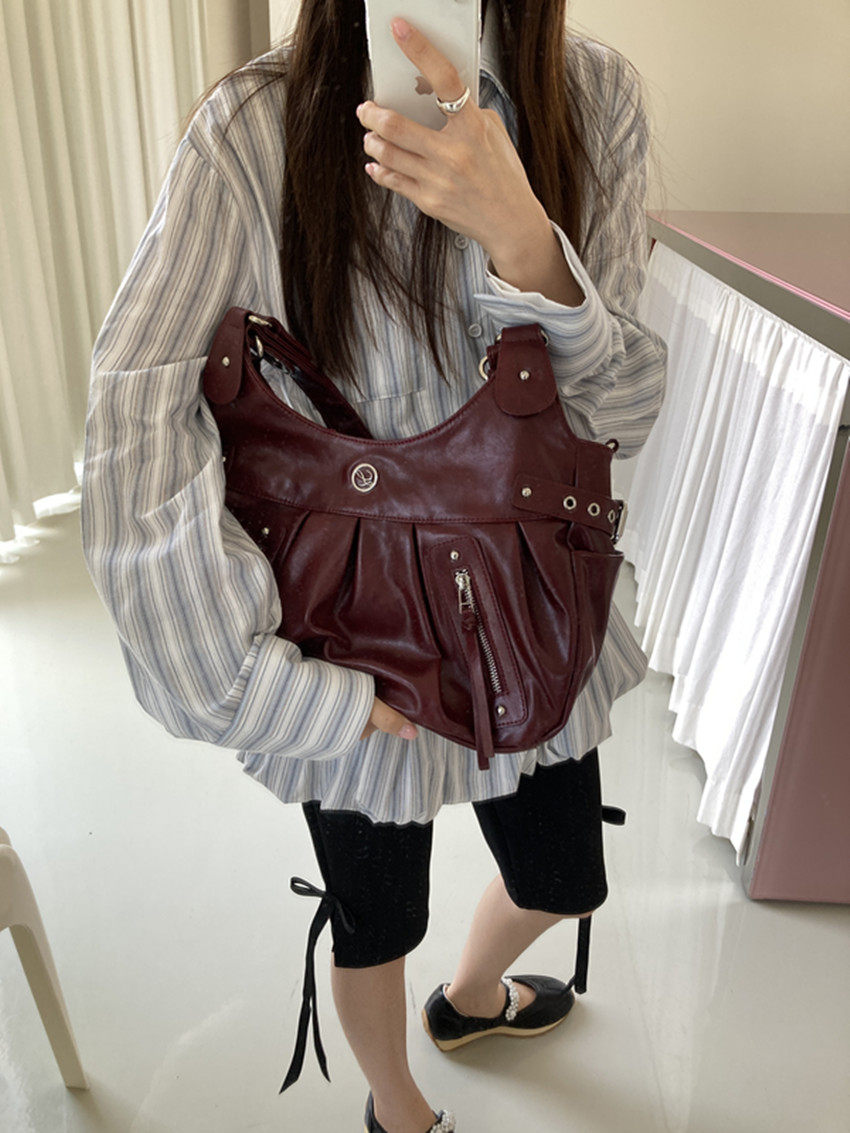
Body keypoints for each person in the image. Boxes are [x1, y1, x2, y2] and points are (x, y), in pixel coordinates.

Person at [81, 3, 667, 1131]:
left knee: (561, 876)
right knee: (373, 921)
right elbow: (138, 410)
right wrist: (259, 686)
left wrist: (527, 247)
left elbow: (619, 414)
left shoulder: (592, 98)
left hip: (529, 606)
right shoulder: (255, 123)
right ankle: (398, 1108)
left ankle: (474, 995)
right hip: (348, 631)